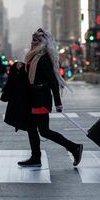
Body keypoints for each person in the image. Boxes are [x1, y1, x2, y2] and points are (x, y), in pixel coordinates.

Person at [17, 28, 83, 167]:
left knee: (44, 131)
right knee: (31, 128)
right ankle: (36, 157)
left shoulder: (44, 59)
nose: (32, 43)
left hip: (41, 98)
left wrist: (58, 103)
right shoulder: (34, 57)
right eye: (32, 40)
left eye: (35, 41)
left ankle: (74, 147)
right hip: (33, 97)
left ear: (42, 42)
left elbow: (53, 82)